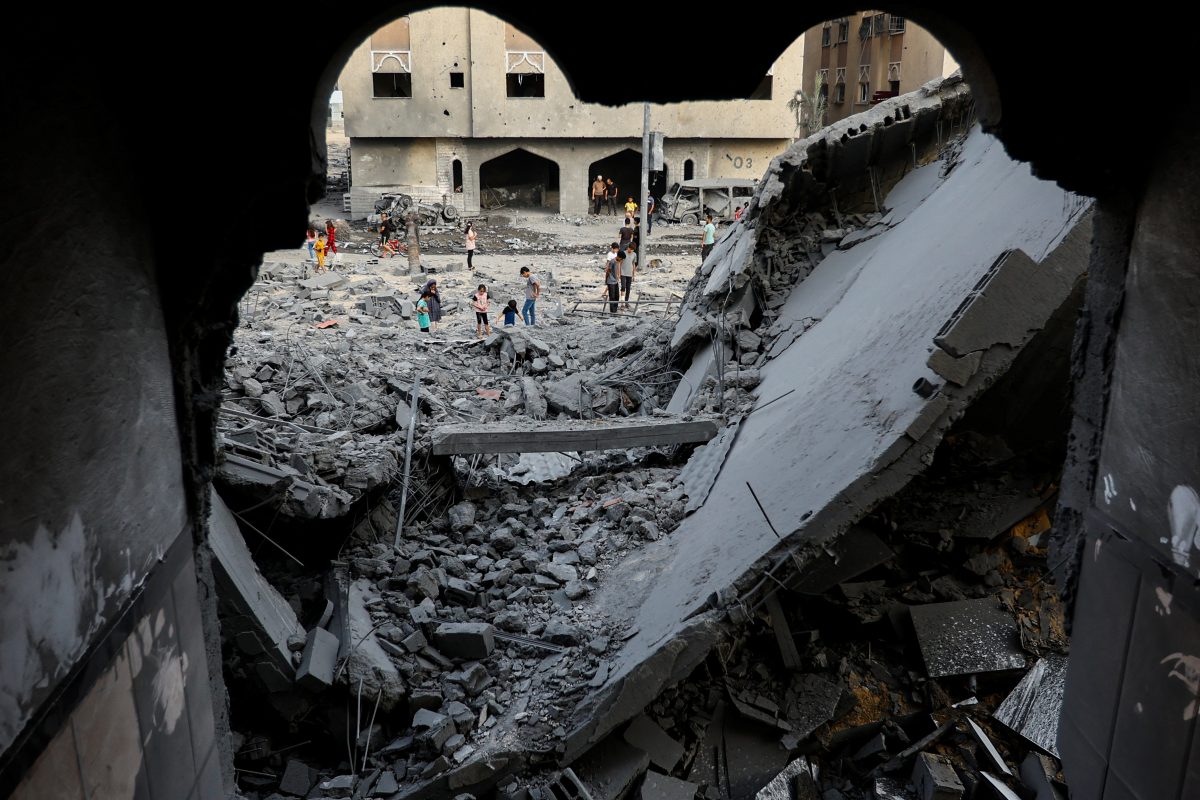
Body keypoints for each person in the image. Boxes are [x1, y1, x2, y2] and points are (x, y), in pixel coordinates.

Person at [621, 241, 638, 306]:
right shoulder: (623, 253)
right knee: (623, 287)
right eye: (630, 248)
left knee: (628, 288)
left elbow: (633, 264)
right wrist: (618, 272)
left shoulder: (634, 254)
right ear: (628, 247)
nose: (630, 250)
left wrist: (634, 275)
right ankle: (622, 302)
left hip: (629, 273)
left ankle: (626, 302)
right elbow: (620, 263)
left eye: (632, 249)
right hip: (623, 272)